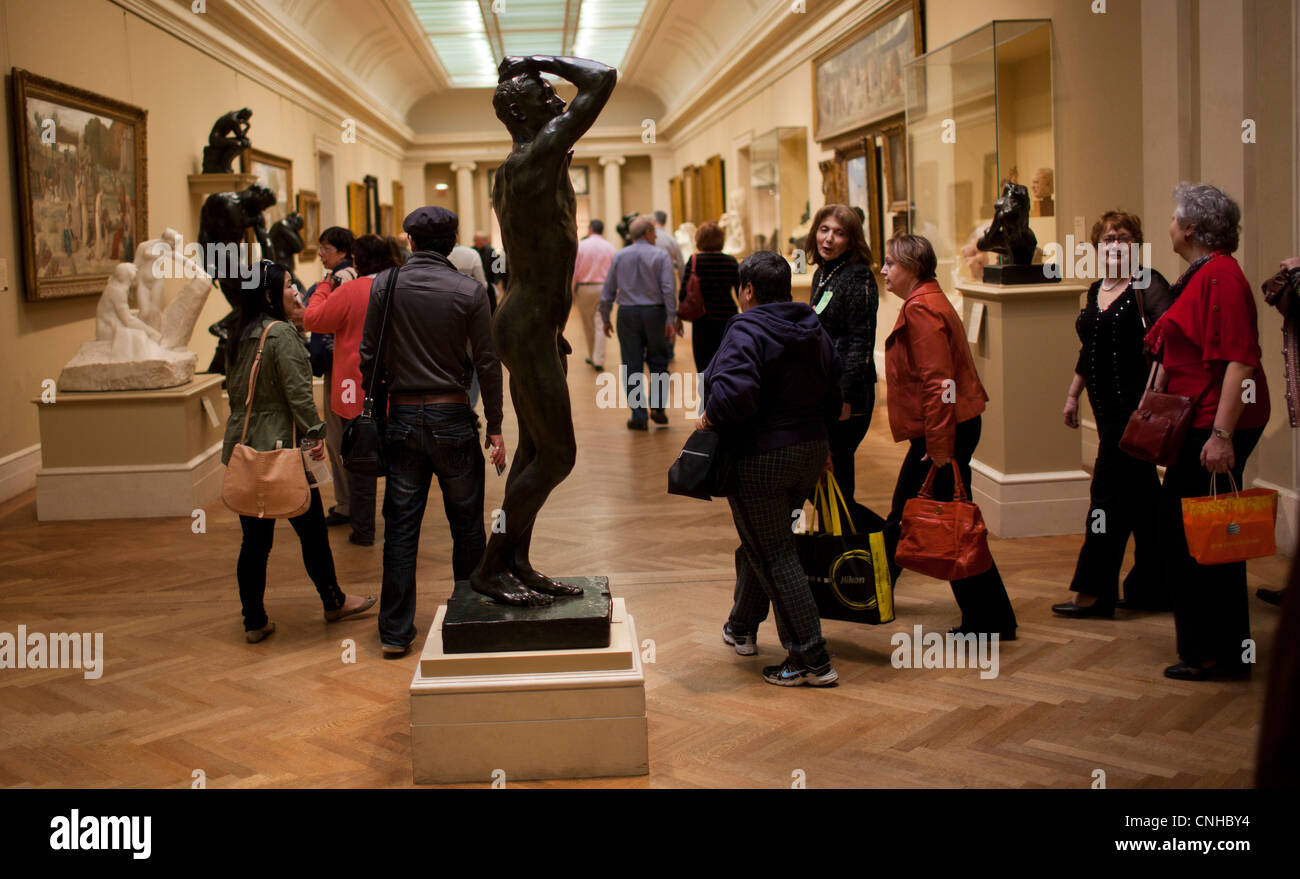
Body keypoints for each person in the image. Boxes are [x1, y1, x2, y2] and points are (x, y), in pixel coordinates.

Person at [359, 207, 506, 656]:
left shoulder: (387, 284)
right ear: (453, 241)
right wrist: (496, 425)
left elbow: (369, 353)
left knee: (401, 528)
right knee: (467, 526)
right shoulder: (469, 289)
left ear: (411, 242)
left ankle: (395, 631)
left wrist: (380, 398)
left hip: (402, 418)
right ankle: (469, 619)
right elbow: (487, 361)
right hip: (453, 418)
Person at [699, 251, 843, 686]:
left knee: (774, 552)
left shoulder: (747, 326)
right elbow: (835, 390)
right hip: (810, 450)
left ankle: (810, 658)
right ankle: (741, 626)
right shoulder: (812, 324)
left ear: (747, 291)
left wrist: (709, 417)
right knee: (762, 543)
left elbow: (732, 397)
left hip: (762, 457)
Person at [1145, 183, 1270, 681]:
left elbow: (1240, 360)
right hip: (1199, 420)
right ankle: (1211, 648)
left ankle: (1215, 653)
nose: (1170, 225)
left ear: (1192, 227)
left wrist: (1221, 437)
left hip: (1214, 423)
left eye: (1175, 218)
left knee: (1206, 542)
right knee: (1196, 538)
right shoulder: (1203, 273)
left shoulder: (1218, 275)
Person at [221, 260, 376, 643]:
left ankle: (254, 620)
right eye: (289, 285)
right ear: (270, 294)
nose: (297, 291)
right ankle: (333, 601)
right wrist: (316, 434)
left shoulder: (238, 332)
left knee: (254, 541)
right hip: (283, 448)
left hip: (246, 446)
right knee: (311, 532)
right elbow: (300, 398)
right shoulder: (281, 335)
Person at [881, 235, 1018, 639]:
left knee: (941, 522)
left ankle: (988, 619)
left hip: (943, 430)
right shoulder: (928, 299)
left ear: (912, 267)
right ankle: (992, 617)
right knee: (927, 517)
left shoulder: (922, 308)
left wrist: (940, 447)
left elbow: (940, 383)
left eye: (891, 264)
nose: (885, 271)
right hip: (947, 427)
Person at [1054, 211, 1176, 618]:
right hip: (1104, 410)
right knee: (1145, 502)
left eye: (1124, 238)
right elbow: (1089, 351)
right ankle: (1154, 586)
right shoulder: (1096, 289)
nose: (1115, 245)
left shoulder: (1147, 282)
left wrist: (1154, 394)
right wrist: (1073, 397)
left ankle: (1093, 593)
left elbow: (1169, 341)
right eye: (1108, 239)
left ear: (1136, 244)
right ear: (1097, 247)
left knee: (1104, 500)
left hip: (1134, 411)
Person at [303, 234, 403, 547]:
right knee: (401, 462)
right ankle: (400, 529)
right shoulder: (402, 285)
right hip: (401, 385)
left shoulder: (352, 289)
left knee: (361, 461)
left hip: (356, 388)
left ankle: (364, 530)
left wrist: (323, 287)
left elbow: (313, 319)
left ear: (358, 260)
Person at [804, 204, 880, 524]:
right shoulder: (824, 272)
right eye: (824, 230)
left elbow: (861, 342)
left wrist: (846, 395)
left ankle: (870, 539)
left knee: (838, 472)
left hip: (849, 393)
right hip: (825, 387)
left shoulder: (858, 276)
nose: (829, 238)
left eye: (839, 233)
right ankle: (835, 545)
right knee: (824, 472)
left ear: (852, 239)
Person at [600, 216, 677, 431]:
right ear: (647, 233)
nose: (655, 236)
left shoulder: (620, 256)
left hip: (627, 314)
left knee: (631, 365)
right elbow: (668, 289)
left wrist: (605, 317)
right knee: (659, 361)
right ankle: (658, 408)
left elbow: (608, 290)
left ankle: (639, 415)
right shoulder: (661, 256)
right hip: (655, 312)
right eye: (653, 232)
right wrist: (671, 317)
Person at [305, 226, 358, 528]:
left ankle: (348, 503)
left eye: (325, 248)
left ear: (341, 251)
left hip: (339, 364)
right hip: (342, 364)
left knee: (339, 437)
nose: (321, 254)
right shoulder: (348, 276)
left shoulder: (341, 278)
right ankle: (348, 501)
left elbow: (323, 315)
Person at [679, 221, 739, 372]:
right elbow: (740, 291)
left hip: (702, 319)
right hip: (727, 318)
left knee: (704, 364)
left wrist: (678, 317)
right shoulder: (731, 262)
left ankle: (706, 394)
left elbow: (684, 292)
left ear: (699, 240)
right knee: (726, 362)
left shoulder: (694, 261)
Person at [573, 219, 616, 371]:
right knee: (600, 323)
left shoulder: (581, 247)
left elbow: (574, 271)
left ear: (590, 229)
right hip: (604, 288)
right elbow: (614, 272)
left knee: (588, 324)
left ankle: (593, 355)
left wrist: (571, 292)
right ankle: (598, 359)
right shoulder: (610, 247)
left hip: (584, 288)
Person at [653, 210, 684, 361]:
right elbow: (681, 264)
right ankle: (669, 349)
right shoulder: (671, 240)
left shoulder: (648, 238)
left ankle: (653, 348)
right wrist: (683, 285)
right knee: (669, 313)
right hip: (669, 282)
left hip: (650, 283)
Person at [472, 231, 502, 312]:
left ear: (484, 240)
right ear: (474, 240)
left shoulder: (491, 251)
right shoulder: (471, 251)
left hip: (489, 283)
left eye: (481, 240)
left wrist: (495, 283)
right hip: (475, 285)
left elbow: (496, 268)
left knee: (492, 307)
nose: (479, 241)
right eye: (477, 240)